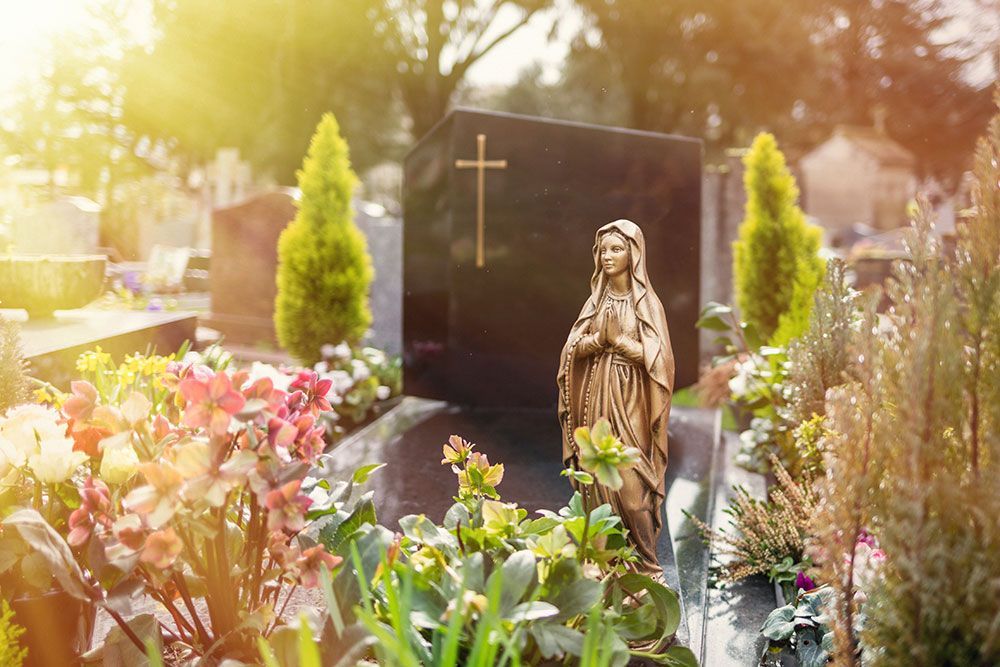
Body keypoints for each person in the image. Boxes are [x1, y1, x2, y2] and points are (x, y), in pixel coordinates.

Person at [557, 219, 675, 577]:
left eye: (616, 249)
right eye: (603, 250)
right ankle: (605, 561)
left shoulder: (647, 304)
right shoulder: (596, 301)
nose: (608, 256)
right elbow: (571, 350)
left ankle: (644, 564)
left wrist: (622, 343)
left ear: (633, 254)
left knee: (632, 483)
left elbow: (662, 360)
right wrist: (596, 342)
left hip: (633, 397)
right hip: (597, 394)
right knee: (596, 474)